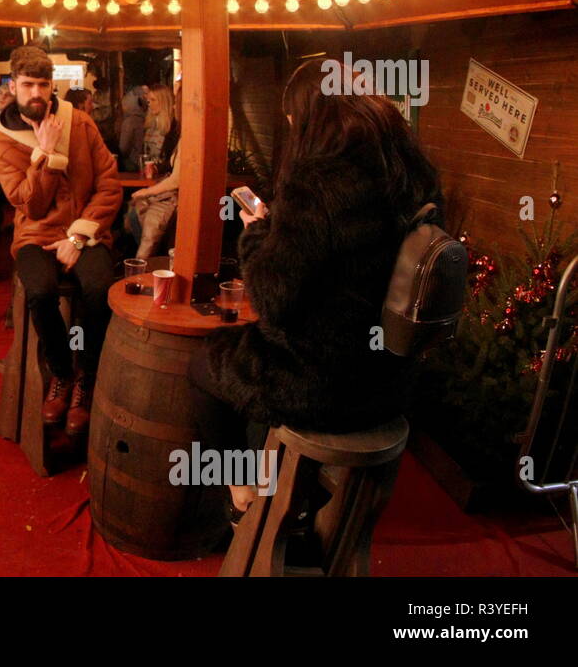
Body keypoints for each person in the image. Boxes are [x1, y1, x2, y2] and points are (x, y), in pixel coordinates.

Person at [189, 59, 444, 519]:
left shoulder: (319, 183)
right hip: (390, 379)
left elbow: (271, 299)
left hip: (324, 385)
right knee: (255, 357)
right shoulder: (413, 173)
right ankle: (298, 494)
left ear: (309, 116)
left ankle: (242, 492)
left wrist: (256, 233)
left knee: (205, 362)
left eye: (291, 122)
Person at [0, 46, 120, 436]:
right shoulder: (3, 143)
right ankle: (61, 373)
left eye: (42, 85)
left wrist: (80, 235)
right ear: (13, 86)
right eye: (27, 84)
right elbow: (29, 203)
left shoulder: (79, 123)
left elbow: (109, 185)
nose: (35, 93)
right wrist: (44, 153)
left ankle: (87, 374)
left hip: (85, 231)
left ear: (52, 87)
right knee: (41, 291)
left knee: (100, 287)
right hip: (35, 235)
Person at [126, 89, 180, 258]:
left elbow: (175, 176)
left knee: (137, 214)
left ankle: (148, 261)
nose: (149, 104)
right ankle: (150, 259)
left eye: (153, 100)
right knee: (133, 212)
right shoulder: (150, 124)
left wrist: (157, 170)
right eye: (148, 100)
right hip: (157, 181)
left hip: (168, 188)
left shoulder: (173, 129)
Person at [118, 83, 148, 171]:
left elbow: (123, 148)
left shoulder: (129, 122)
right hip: (142, 164)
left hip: (132, 164)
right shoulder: (144, 118)